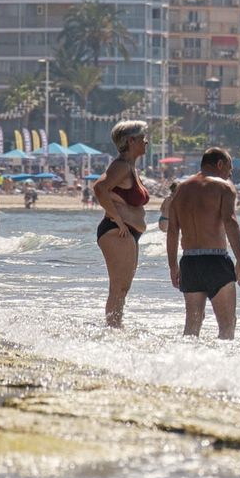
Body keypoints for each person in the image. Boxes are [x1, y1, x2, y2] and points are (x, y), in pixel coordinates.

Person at [166, 148, 240, 339]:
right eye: (229, 168)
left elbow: (172, 231)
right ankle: (224, 359)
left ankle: (182, 358)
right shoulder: (224, 187)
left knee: (192, 328)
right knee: (227, 325)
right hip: (215, 261)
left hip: (189, 262)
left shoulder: (180, 190)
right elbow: (230, 222)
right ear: (220, 164)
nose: (230, 173)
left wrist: (173, 266)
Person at [93, 120, 151, 329]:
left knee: (123, 288)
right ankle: (112, 329)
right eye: (143, 137)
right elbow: (99, 188)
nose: (146, 141)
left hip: (128, 233)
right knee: (118, 288)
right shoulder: (121, 166)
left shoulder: (130, 167)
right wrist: (117, 218)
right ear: (131, 141)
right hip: (116, 231)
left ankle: (115, 326)